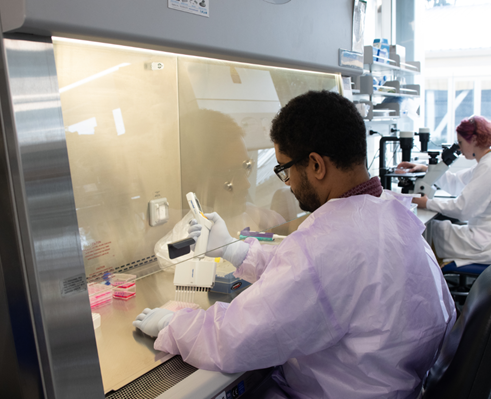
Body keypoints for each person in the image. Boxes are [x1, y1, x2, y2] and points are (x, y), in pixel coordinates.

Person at [134, 90, 456, 398]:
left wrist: (172, 324)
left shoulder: (329, 244)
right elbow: (310, 275)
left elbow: (235, 338)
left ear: (316, 165)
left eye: (285, 170)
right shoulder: (391, 211)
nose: (287, 186)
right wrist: (235, 250)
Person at [399, 115, 491, 267]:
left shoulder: (489, 166)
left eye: (460, 142)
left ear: (475, 140)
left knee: (427, 231)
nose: (459, 148)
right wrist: (427, 170)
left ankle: (429, 285)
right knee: (437, 228)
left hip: (490, 242)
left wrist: (427, 203)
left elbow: (462, 210)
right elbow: (457, 182)